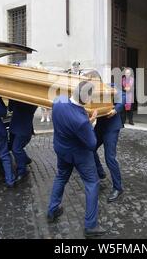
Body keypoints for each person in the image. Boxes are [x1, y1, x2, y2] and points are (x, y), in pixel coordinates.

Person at [47, 81, 106, 238]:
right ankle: (91, 226)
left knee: (61, 177)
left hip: (61, 149)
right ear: (86, 99)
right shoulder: (81, 121)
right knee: (92, 183)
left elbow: (68, 115)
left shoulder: (58, 100)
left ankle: (52, 210)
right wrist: (92, 122)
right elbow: (92, 144)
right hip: (79, 155)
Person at [93, 84, 124, 203]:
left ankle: (118, 188)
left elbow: (123, 96)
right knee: (90, 148)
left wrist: (115, 110)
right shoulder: (90, 89)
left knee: (109, 158)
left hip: (111, 128)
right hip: (100, 127)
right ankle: (100, 173)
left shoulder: (110, 86)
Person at [8, 100, 37, 181]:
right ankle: (25, 159)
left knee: (16, 149)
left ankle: (22, 171)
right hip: (15, 126)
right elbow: (10, 108)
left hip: (23, 129)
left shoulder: (32, 100)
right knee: (12, 146)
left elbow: (29, 109)